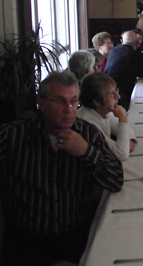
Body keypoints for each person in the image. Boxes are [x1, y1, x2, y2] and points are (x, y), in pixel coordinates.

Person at [0, 71, 123, 266]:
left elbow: (116, 180)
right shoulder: (14, 136)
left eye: (73, 101)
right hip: (25, 241)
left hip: (75, 236)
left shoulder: (88, 134)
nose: (68, 109)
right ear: (41, 103)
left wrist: (86, 152)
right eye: (59, 101)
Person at [77, 72, 137, 161]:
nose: (118, 96)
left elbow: (127, 131)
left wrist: (130, 140)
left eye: (116, 91)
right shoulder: (88, 123)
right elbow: (121, 154)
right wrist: (123, 118)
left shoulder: (103, 110)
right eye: (112, 95)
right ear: (97, 101)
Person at [104, 31, 143, 110]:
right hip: (120, 93)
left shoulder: (114, 50)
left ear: (122, 41)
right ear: (137, 42)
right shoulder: (134, 55)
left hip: (106, 87)